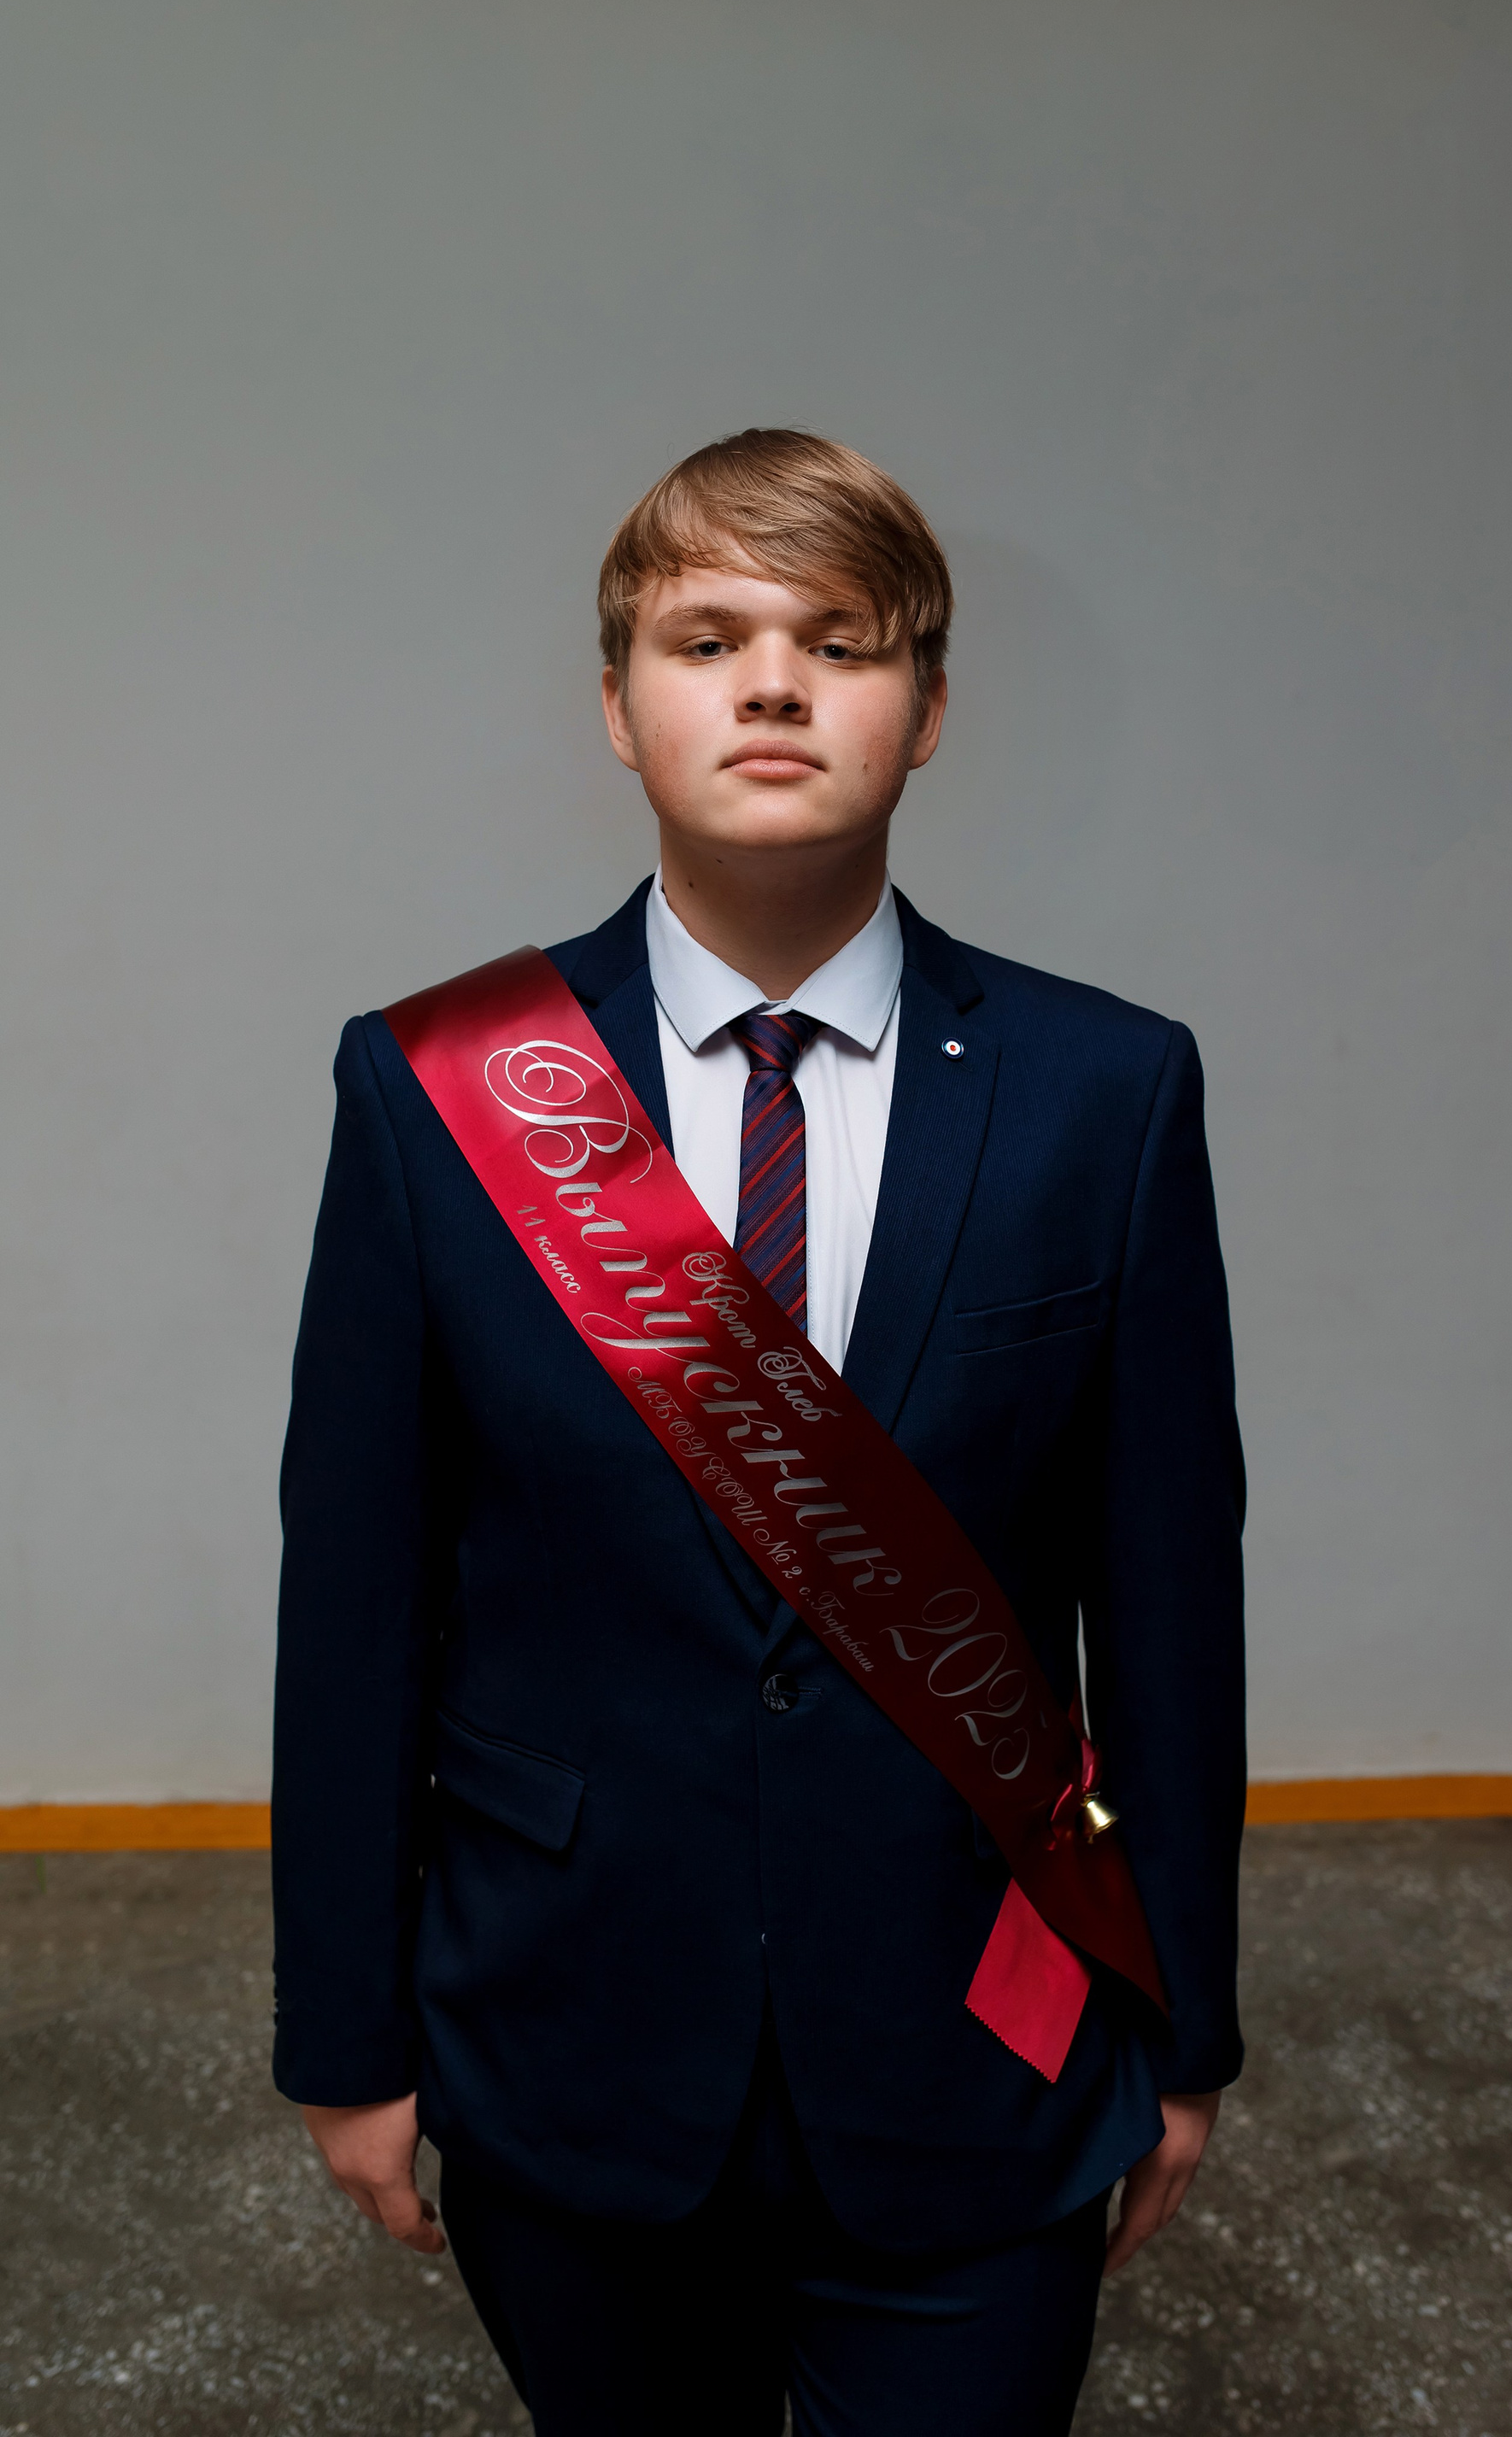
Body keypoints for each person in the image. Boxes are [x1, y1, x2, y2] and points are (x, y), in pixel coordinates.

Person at [272, 427, 1245, 2437]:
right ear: (618, 706)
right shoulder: (436, 1089)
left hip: (983, 2045)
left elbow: (1169, 1607)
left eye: (843, 641)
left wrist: (1190, 2027)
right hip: (570, 2031)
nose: (775, 685)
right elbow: (357, 1606)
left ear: (930, 709)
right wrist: (343, 2037)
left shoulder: (1107, 1091)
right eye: (707, 639)